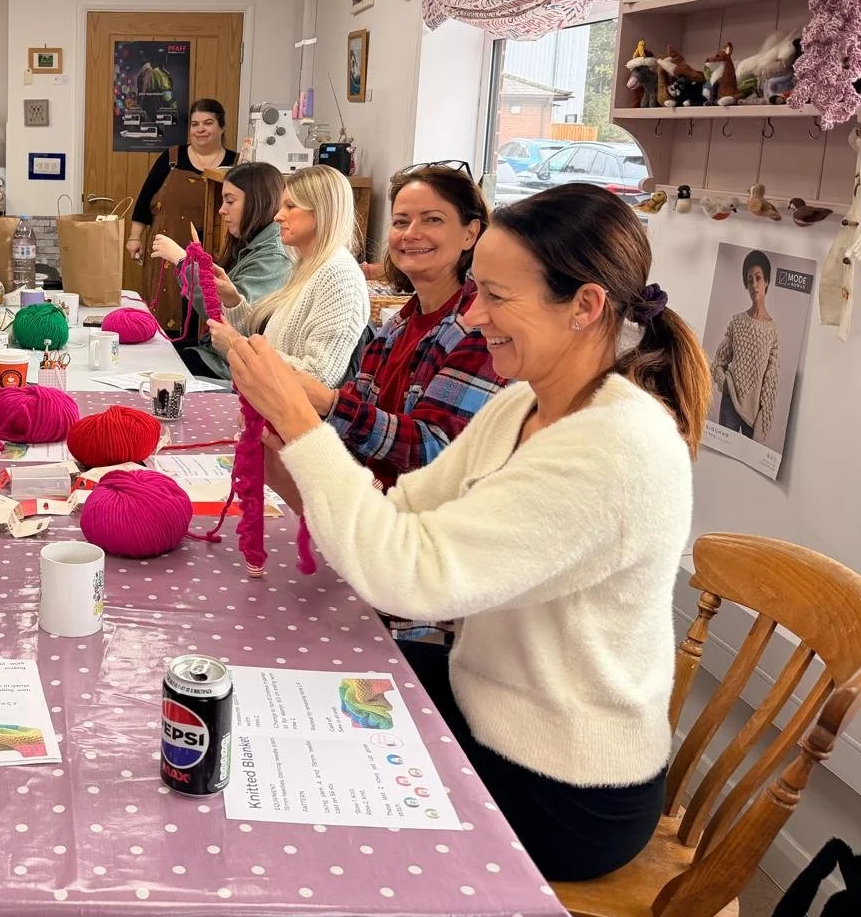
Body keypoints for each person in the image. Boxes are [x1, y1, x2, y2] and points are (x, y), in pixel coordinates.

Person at [228, 182, 710, 882]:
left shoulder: (616, 447)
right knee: (271, 692)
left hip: (564, 789)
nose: (475, 314)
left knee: (292, 795)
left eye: (497, 296)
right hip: (481, 702)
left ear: (585, 306)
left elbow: (410, 578)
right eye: (476, 290)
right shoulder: (521, 406)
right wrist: (292, 468)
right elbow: (404, 514)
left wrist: (306, 429)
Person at [297, 163, 506, 492]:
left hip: (424, 516)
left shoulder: (480, 329)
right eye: (401, 221)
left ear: (471, 233)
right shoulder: (397, 326)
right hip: (374, 500)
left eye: (432, 219)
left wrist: (325, 403)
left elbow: (431, 449)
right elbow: (356, 411)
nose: (410, 233)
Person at [208, 165, 369, 387]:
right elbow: (266, 341)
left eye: (290, 206)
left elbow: (319, 378)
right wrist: (232, 300)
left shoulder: (339, 277)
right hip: (265, 396)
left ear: (321, 212)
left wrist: (235, 345)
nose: (277, 216)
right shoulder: (306, 266)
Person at [148, 161, 289, 380]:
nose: (222, 210)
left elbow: (225, 319)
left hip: (228, 364)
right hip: (217, 353)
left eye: (230, 201)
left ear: (258, 202)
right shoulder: (253, 246)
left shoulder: (274, 258)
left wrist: (182, 261)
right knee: (149, 355)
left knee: (152, 370)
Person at [126, 98, 239, 265]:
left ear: (221, 127)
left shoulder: (237, 164)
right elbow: (145, 199)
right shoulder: (172, 157)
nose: (200, 129)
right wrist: (134, 237)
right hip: (166, 253)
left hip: (217, 254)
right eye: (195, 124)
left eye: (208, 123)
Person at [711, 248, 779, 445]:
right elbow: (718, 362)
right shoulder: (737, 322)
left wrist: (763, 420)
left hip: (753, 414)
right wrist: (725, 384)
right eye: (750, 280)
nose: (754, 285)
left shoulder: (772, 331)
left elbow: (771, 382)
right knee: (721, 453)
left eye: (758, 278)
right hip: (730, 403)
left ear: (766, 282)